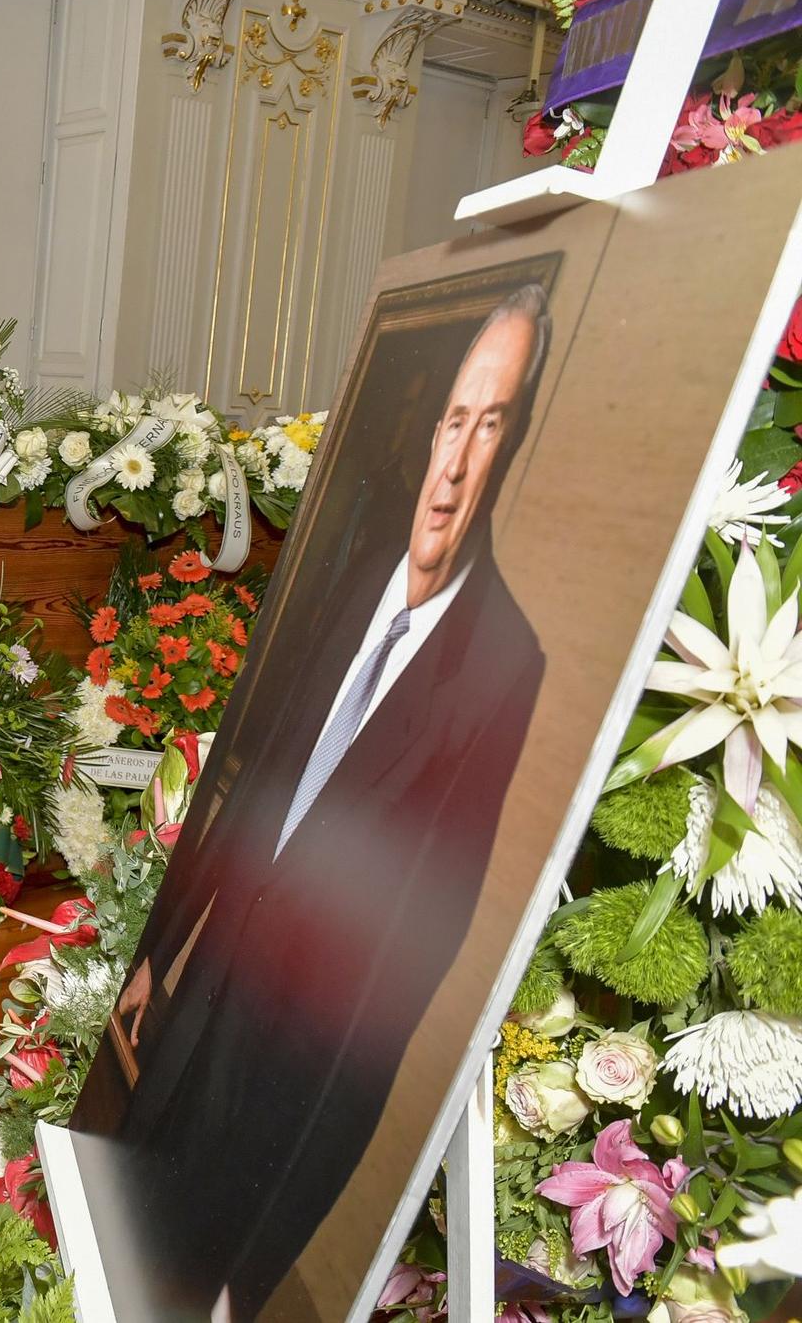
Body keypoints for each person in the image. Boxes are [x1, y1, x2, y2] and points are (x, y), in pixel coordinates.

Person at [75, 284, 552, 1321]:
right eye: (454, 421)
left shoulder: (503, 663)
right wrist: (162, 947)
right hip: (200, 985)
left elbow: (413, 952)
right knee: (117, 1248)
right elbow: (255, 775)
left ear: (511, 446)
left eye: (493, 423)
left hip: (289, 1062)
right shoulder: (350, 579)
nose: (459, 460)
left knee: (193, 1285)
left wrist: (291, 1192)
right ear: (434, 431)